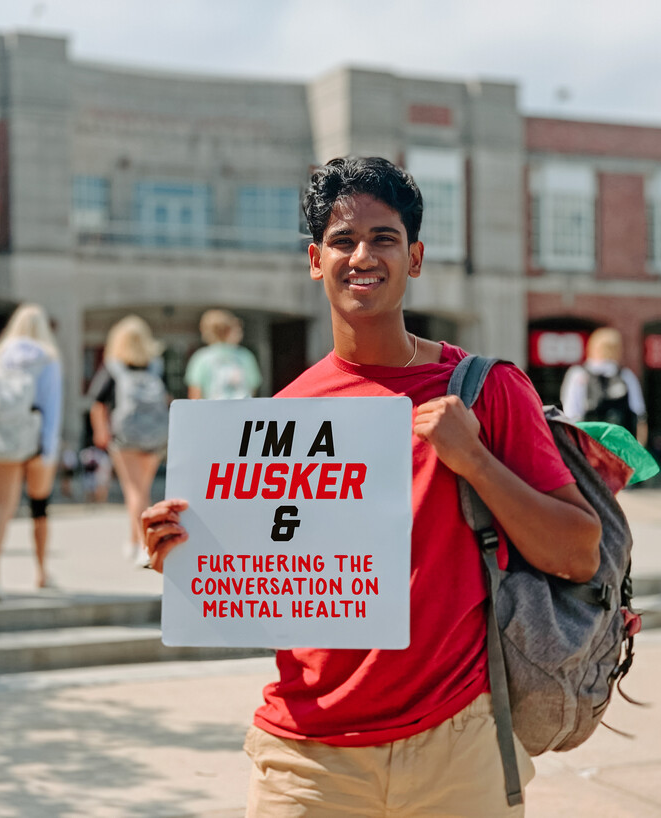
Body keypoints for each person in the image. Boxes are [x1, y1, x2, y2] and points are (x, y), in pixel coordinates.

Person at [142, 157, 601, 816]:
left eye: (384, 238)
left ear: (415, 258)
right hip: (307, 755)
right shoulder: (285, 412)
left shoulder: (486, 390)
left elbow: (578, 553)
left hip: (457, 744)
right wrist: (187, 554)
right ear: (313, 259)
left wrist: (475, 460)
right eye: (343, 240)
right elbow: (274, 580)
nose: (363, 255)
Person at [0, 303, 62, 600]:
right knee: (39, 507)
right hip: (35, 441)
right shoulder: (48, 359)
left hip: (3, 441)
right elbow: (52, 408)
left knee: (2, 506)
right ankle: (41, 571)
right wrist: (48, 448)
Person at [87, 316, 169, 566]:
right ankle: (134, 542)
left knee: (135, 492)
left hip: (126, 438)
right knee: (143, 490)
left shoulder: (114, 367)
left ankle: (146, 546)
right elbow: (166, 398)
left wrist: (101, 432)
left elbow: (97, 403)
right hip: (155, 436)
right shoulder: (155, 366)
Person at [560, 327, 648, 444]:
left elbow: (570, 413)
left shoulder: (577, 374)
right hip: (620, 446)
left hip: (589, 445)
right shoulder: (626, 376)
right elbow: (640, 415)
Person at [184, 308, 262, 399]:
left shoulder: (200, 357)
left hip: (211, 412)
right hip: (241, 412)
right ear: (229, 330)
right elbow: (252, 390)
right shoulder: (246, 356)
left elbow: (195, 395)